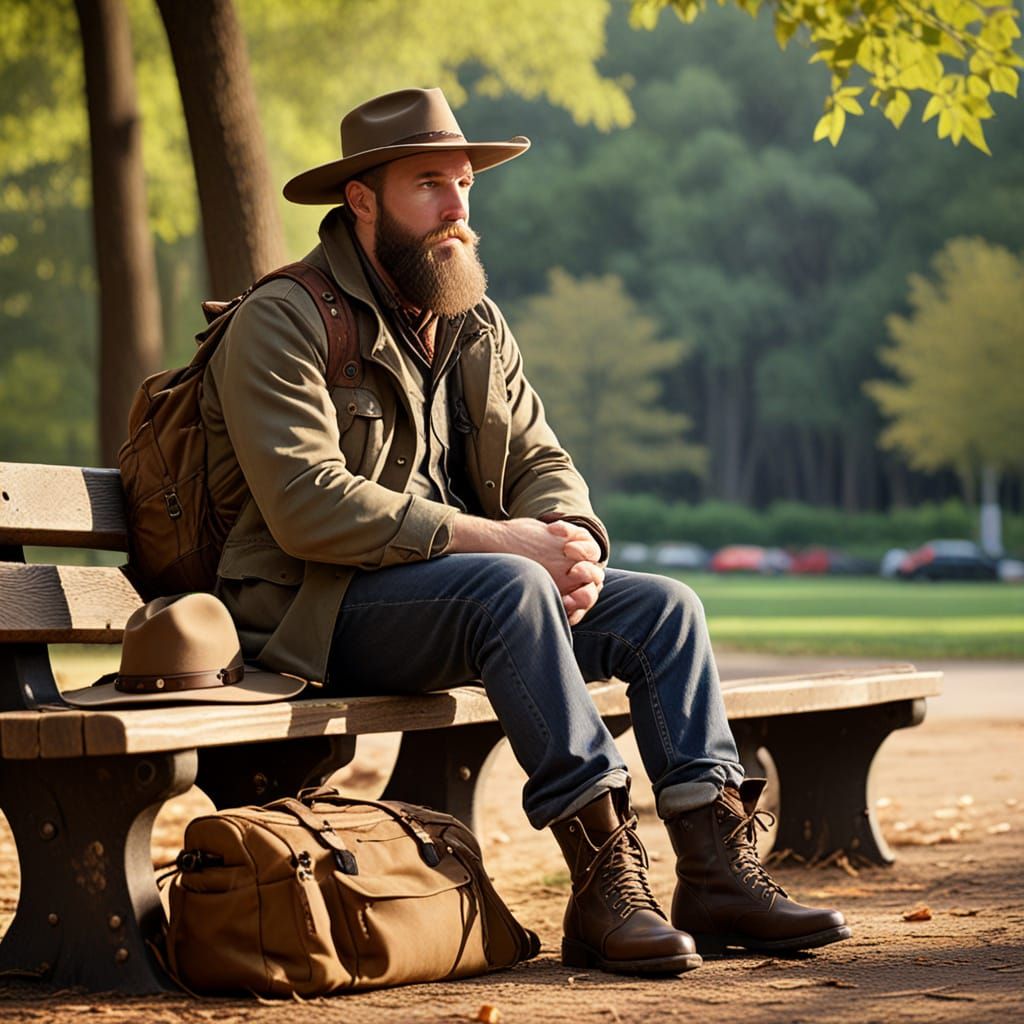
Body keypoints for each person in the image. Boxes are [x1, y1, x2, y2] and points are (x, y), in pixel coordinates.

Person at [200, 87, 850, 976]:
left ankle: (717, 872)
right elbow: (309, 503)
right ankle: (603, 881)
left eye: (464, 184)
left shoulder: (471, 317)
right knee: (507, 586)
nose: (458, 207)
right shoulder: (284, 318)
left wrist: (572, 537)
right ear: (361, 200)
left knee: (664, 607)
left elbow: (543, 456)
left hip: (458, 600)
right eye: (429, 184)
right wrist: (508, 547)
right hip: (312, 614)